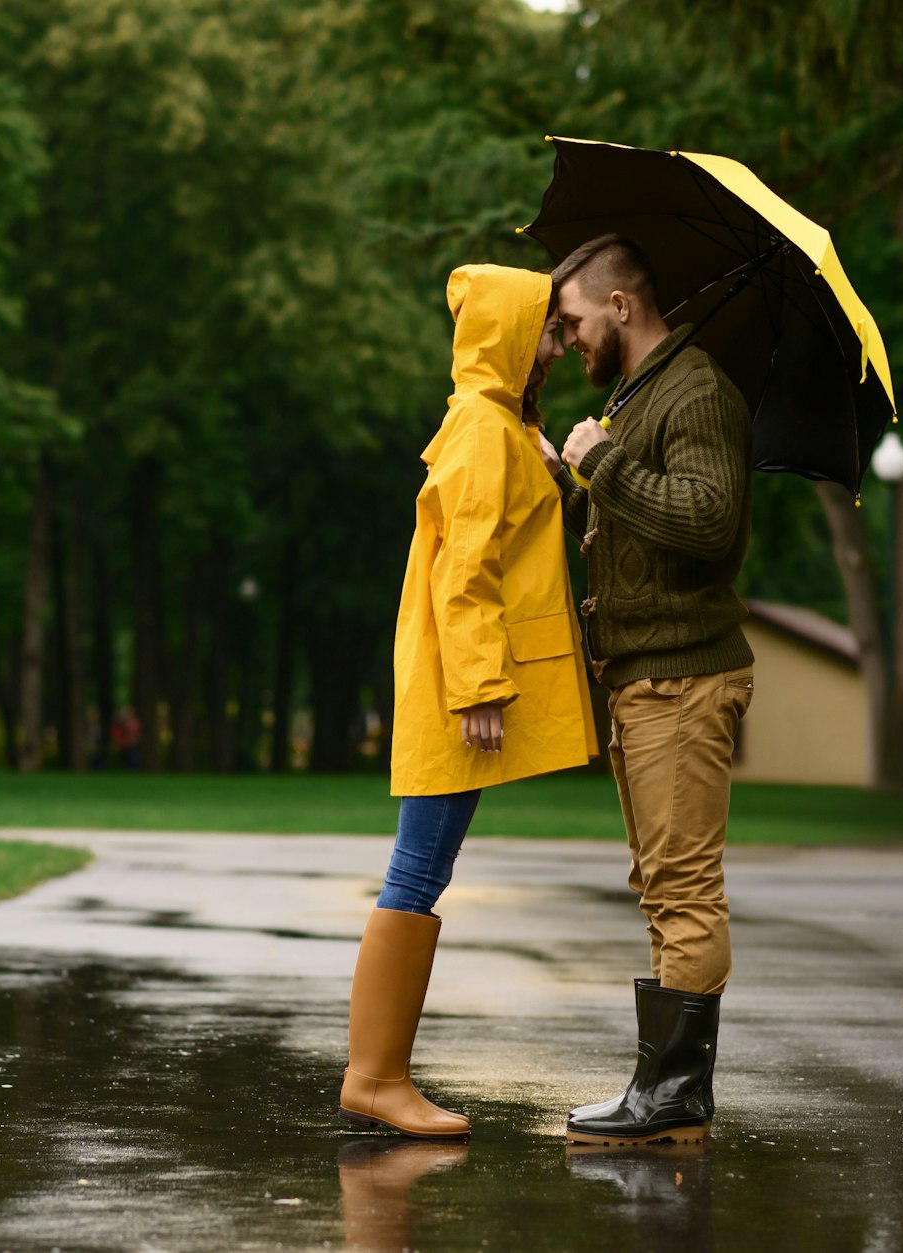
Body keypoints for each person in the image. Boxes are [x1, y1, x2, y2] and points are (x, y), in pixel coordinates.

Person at [339, 264, 597, 1140]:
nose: (558, 345)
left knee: (422, 868)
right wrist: (482, 685)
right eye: (549, 330)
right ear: (512, 334)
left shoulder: (497, 425)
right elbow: (467, 568)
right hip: (460, 687)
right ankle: (374, 1079)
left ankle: (378, 1076)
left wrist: (554, 467)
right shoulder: (485, 428)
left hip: (452, 681)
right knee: (416, 870)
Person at [542, 234, 755, 1147]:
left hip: (684, 677)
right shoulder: (634, 396)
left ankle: (671, 1096)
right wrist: (568, 483)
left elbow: (710, 522)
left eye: (573, 323)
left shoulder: (697, 390)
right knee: (662, 886)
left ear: (621, 306)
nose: (568, 342)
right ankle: (667, 1091)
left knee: (684, 890)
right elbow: (631, 531)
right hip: (642, 680)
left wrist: (603, 464)